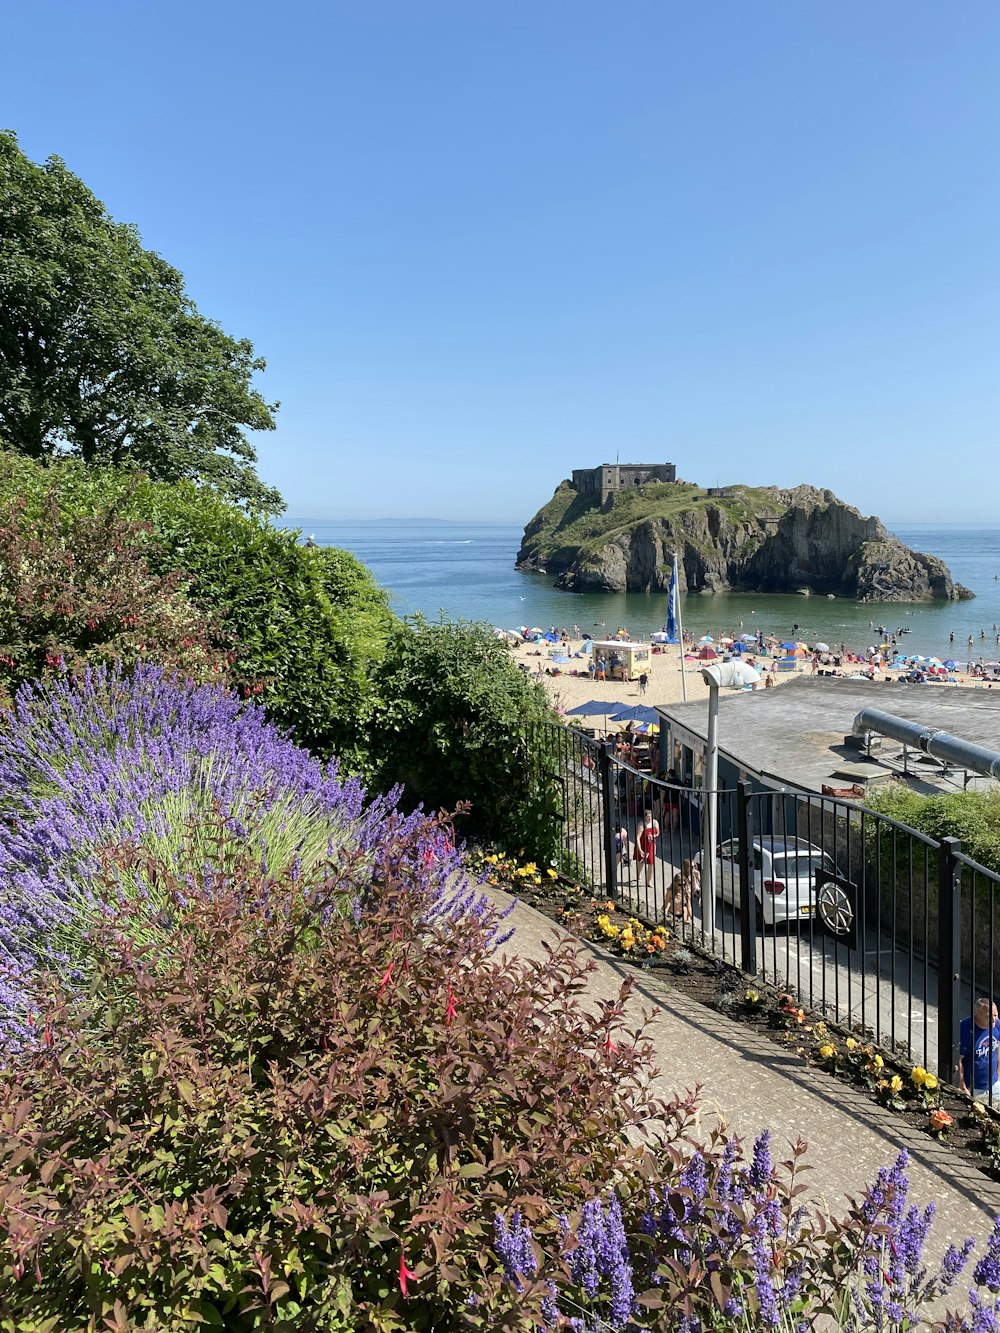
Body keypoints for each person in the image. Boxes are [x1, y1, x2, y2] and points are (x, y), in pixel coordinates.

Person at [960, 998, 1000, 1099]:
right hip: (974, 1088)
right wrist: (962, 1086)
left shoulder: (997, 1024)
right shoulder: (964, 1029)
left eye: (995, 1015)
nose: (994, 1019)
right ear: (978, 1014)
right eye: (989, 1016)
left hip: (994, 1083)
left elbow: (998, 1044)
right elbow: (958, 1059)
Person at [633, 808, 660, 886]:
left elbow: (658, 832)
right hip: (642, 844)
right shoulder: (641, 825)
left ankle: (649, 881)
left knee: (651, 863)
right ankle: (638, 876)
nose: (650, 818)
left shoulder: (655, 823)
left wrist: (654, 836)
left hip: (651, 845)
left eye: (651, 816)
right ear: (644, 817)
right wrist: (640, 849)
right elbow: (638, 837)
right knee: (641, 861)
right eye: (648, 816)